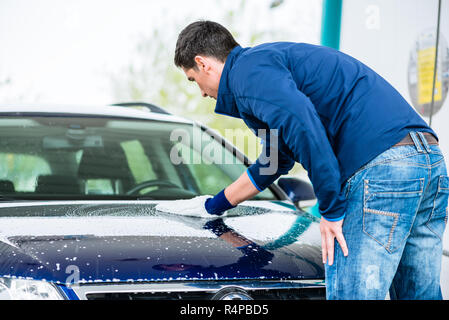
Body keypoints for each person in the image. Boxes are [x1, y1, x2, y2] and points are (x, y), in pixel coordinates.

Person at [173, 20, 448, 300]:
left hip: (382, 169)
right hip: (427, 161)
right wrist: (213, 205)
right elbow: (275, 159)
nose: (203, 93)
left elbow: (303, 126)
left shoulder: (248, 73)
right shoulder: (265, 66)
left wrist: (331, 208)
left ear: (203, 63)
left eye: (194, 80)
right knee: (421, 294)